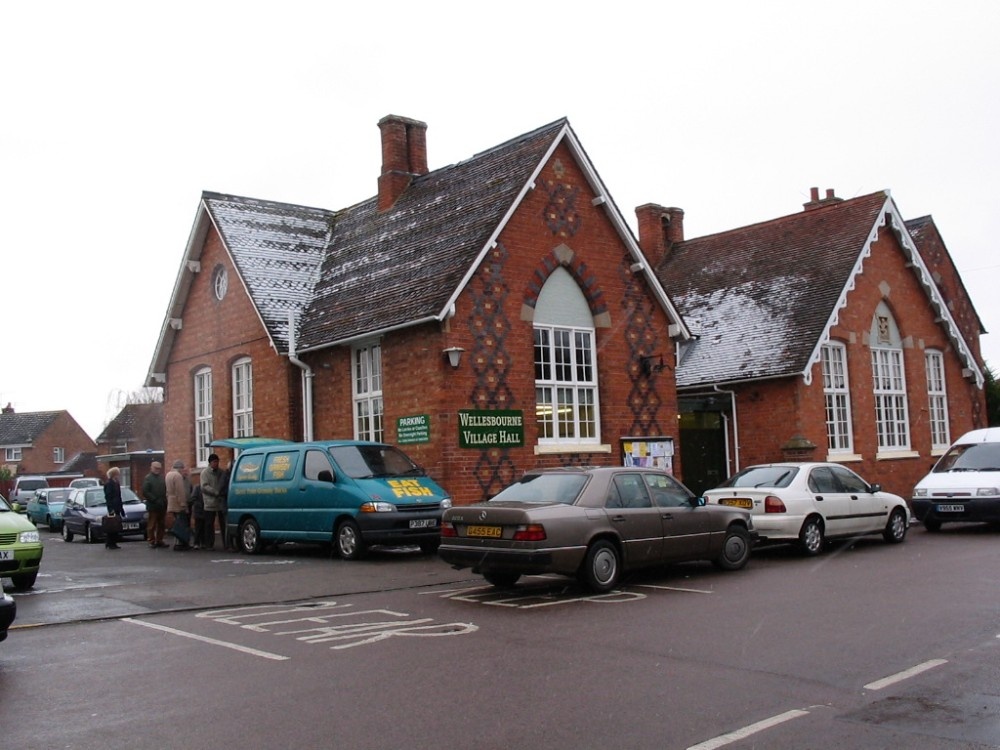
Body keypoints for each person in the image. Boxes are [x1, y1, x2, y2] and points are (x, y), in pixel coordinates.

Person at [166, 459, 192, 551]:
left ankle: (177, 543)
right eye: (182, 468)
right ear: (180, 468)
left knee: (177, 522)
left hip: (171, 501)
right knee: (180, 525)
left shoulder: (168, 474)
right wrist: (183, 504)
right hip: (177, 503)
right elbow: (180, 491)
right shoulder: (177, 476)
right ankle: (180, 543)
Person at [200, 453, 224, 551]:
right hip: (209, 502)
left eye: (217, 461)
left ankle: (226, 543)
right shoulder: (205, 473)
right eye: (214, 462)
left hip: (219, 502)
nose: (216, 463)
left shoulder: (221, 472)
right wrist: (215, 492)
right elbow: (204, 486)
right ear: (210, 463)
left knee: (223, 523)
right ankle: (209, 543)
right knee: (209, 524)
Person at [141, 461, 168, 548]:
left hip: (162, 505)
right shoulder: (148, 478)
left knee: (162, 524)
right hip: (153, 505)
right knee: (151, 524)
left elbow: (165, 490)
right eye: (156, 468)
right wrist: (154, 499)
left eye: (159, 468)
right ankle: (151, 540)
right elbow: (145, 491)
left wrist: (164, 500)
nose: (157, 470)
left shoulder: (161, 478)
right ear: (151, 468)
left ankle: (159, 540)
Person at [103, 467, 125, 550]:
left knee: (116, 525)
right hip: (112, 507)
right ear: (114, 474)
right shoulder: (109, 483)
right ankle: (110, 542)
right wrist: (110, 508)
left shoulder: (116, 483)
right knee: (111, 525)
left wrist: (121, 508)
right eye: (117, 474)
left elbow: (119, 496)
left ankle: (113, 542)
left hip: (118, 506)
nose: (118, 476)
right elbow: (108, 497)